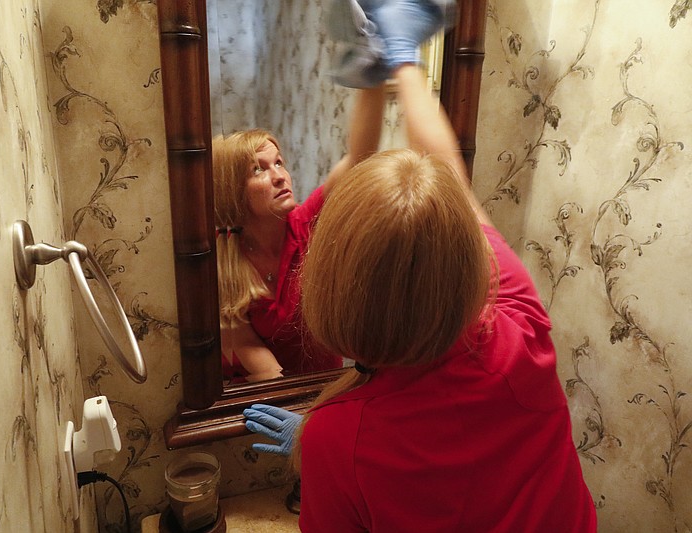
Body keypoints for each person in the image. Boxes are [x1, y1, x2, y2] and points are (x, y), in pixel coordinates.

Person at [243, 0, 597, 530]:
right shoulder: (520, 334)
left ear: (335, 294)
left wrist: (321, 440)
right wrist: (403, 53)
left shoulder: (338, 442)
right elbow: (448, 175)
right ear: (462, 269)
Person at [213, 87, 387, 382]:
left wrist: (373, 81)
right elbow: (254, 356)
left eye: (279, 162)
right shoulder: (223, 258)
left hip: (319, 386)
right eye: (258, 170)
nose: (280, 175)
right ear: (233, 191)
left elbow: (358, 158)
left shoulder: (308, 223)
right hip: (262, 397)